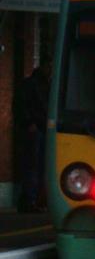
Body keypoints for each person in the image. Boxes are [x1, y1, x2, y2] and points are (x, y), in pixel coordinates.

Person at [16, 58, 51, 212]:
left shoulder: (35, 84)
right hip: (36, 128)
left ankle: (33, 199)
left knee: (36, 165)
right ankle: (30, 200)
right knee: (34, 165)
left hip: (38, 128)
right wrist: (30, 122)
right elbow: (22, 105)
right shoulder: (36, 85)